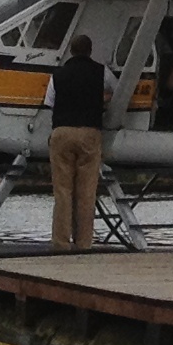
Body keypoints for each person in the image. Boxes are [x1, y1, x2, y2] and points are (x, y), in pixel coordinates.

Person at [47, 33, 109, 251]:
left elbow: (50, 102)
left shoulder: (58, 74)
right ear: (90, 51)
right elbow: (117, 89)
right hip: (89, 132)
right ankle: (83, 242)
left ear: (71, 51)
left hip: (62, 131)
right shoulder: (102, 72)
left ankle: (61, 242)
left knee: (62, 191)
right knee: (86, 192)